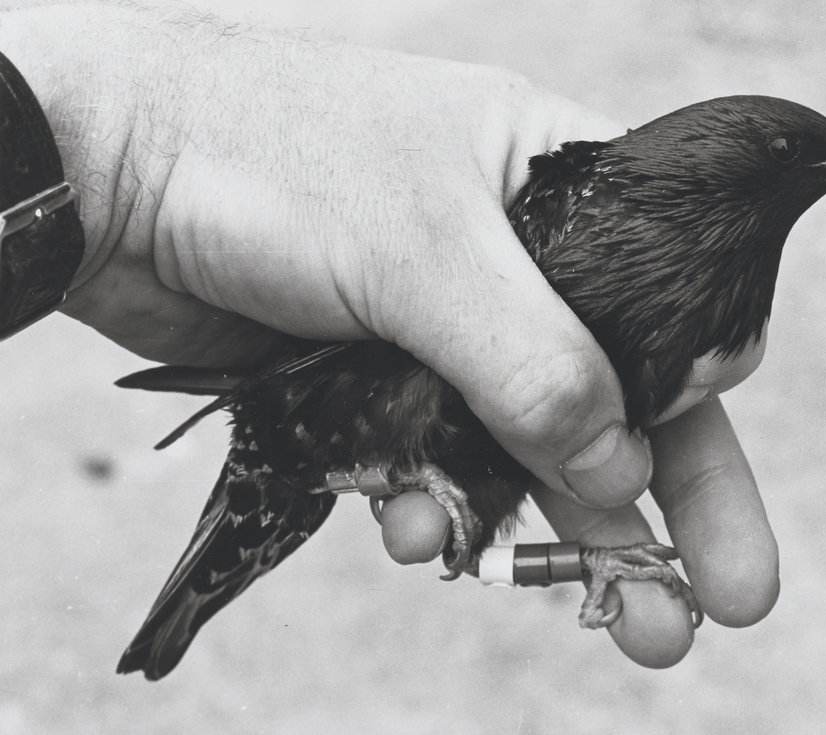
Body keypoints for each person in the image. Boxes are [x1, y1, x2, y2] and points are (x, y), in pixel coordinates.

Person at [1, 2, 778, 667]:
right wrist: (123, 142)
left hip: (394, 446)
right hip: (312, 420)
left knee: (445, 535)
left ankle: (570, 546)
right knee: (420, 513)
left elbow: (474, 560)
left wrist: (590, 556)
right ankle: (362, 479)